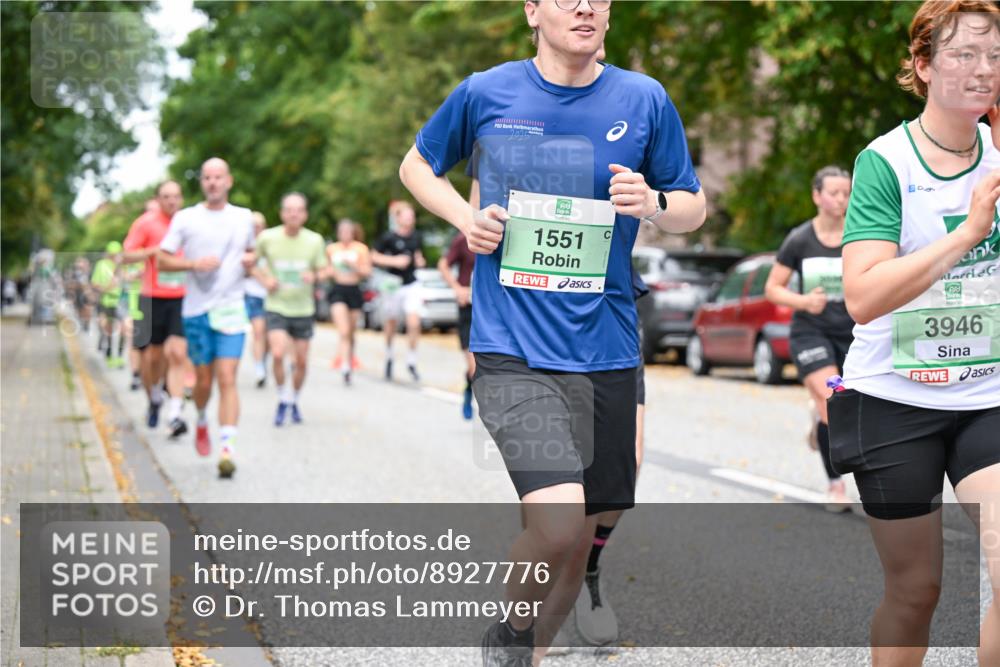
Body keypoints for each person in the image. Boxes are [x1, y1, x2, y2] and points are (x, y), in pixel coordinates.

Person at [399, 0, 706, 662]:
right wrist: (464, 217)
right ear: (533, 11)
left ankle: (530, 649)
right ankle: (510, 634)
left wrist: (654, 204)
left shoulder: (644, 99)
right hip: (513, 348)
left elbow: (692, 205)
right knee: (560, 522)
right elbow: (416, 166)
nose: (585, 6)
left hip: (606, 347)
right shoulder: (486, 92)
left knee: (582, 533)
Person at [833, 2, 1000, 665]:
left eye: (994, 56)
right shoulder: (886, 162)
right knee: (916, 590)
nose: (983, 69)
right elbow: (863, 296)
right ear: (924, 65)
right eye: (964, 55)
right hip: (893, 398)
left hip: (987, 393)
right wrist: (967, 234)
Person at [158, 157, 256, 479]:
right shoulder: (186, 218)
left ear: (229, 181)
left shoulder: (244, 217)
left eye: (218, 177)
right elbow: (162, 260)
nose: (213, 182)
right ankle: (201, 418)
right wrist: (193, 264)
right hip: (197, 311)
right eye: (207, 178)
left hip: (232, 308)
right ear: (202, 183)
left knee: (227, 377)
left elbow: (251, 253)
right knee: (203, 381)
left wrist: (251, 262)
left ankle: (227, 449)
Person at [764, 165, 854, 512]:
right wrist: (804, 302)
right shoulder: (800, 239)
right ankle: (836, 486)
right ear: (817, 196)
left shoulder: (859, 235)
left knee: (849, 408)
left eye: (846, 193)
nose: (841, 199)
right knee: (833, 399)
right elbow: (773, 288)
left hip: (853, 332)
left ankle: (819, 421)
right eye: (834, 193)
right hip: (811, 331)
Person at [252, 192, 328, 425]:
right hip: (276, 306)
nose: (293, 214)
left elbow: (326, 270)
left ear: (305, 214)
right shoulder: (267, 238)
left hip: (303, 309)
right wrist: (265, 280)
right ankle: (282, 396)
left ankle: (293, 398)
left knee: (301, 362)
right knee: (277, 353)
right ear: (282, 213)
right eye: (289, 210)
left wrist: (314, 276)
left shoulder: (314, 240)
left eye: (298, 210)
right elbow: (251, 263)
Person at [121, 180, 189, 437]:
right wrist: (153, 251)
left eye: (176, 196)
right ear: (158, 199)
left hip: (182, 297)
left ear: (181, 199)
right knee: (153, 358)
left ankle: (175, 413)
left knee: (178, 353)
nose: (171, 201)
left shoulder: (188, 222)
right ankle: (154, 398)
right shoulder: (146, 223)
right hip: (152, 297)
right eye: (166, 196)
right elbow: (126, 255)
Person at [371, 200, 425, 382]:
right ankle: (389, 355)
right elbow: (373, 256)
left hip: (411, 283)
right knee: (391, 322)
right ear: (398, 218)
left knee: (414, 322)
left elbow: (417, 255)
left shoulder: (416, 237)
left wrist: (420, 261)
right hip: (393, 284)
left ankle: (411, 360)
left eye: (412, 216)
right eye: (407, 216)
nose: (410, 219)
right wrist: (394, 261)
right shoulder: (388, 237)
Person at [437, 214, 477, 419]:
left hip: (492, 309)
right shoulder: (464, 238)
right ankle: (469, 391)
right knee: (474, 366)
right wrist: (457, 288)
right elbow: (443, 265)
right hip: (468, 307)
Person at [326, 219, 372, 386]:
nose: (345, 234)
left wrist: (354, 266)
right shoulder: (332, 249)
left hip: (354, 290)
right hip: (338, 289)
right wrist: (329, 271)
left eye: (348, 231)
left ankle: (350, 358)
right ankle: (345, 365)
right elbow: (325, 269)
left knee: (351, 332)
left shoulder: (360, 249)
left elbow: (367, 271)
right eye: (342, 231)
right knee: (344, 330)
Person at [245, 212, 270, 388]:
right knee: (258, 331)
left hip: (270, 296)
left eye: (259, 226)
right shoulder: (245, 246)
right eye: (253, 226)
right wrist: (262, 278)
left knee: (268, 336)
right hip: (252, 294)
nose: (256, 229)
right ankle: (259, 368)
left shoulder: (271, 245)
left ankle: (262, 360)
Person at [91, 241, 125, 369]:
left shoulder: (123, 265)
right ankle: (110, 354)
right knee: (109, 329)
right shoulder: (101, 265)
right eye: (113, 254)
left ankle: (120, 356)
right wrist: (107, 288)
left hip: (123, 302)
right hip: (107, 301)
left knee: (124, 329)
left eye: (117, 254)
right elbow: (95, 284)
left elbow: (130, 280)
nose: (115, 256)